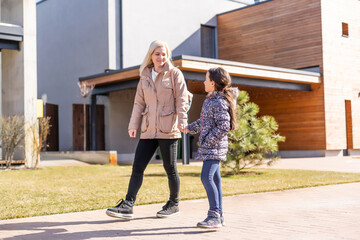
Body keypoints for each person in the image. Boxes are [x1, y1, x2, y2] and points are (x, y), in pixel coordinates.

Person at [106, 40, 190, 219]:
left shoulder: (175, 74)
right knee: (137, 167)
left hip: (168, 129)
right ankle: (128, 205)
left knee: (170, 168)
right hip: (148, 130)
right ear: (151, 55)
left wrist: (183, 121)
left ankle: (174, 204)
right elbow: (139, 103)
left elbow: (182, 99)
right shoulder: (144, 76)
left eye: (164, 54)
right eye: (157, 54)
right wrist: (132, 125)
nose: (161, 57)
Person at [179, 67, 238, 228]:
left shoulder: (219, 101)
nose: (204, 82)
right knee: (215, 179)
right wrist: (188, 128)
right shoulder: (210, 99)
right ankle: (219, 215)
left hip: (214, 147)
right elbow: (204, 123)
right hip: (212, 146)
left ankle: (214, 215)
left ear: (212, 83)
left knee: (206, 177)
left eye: (206, 79)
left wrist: (208, 141)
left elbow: (224, 126)